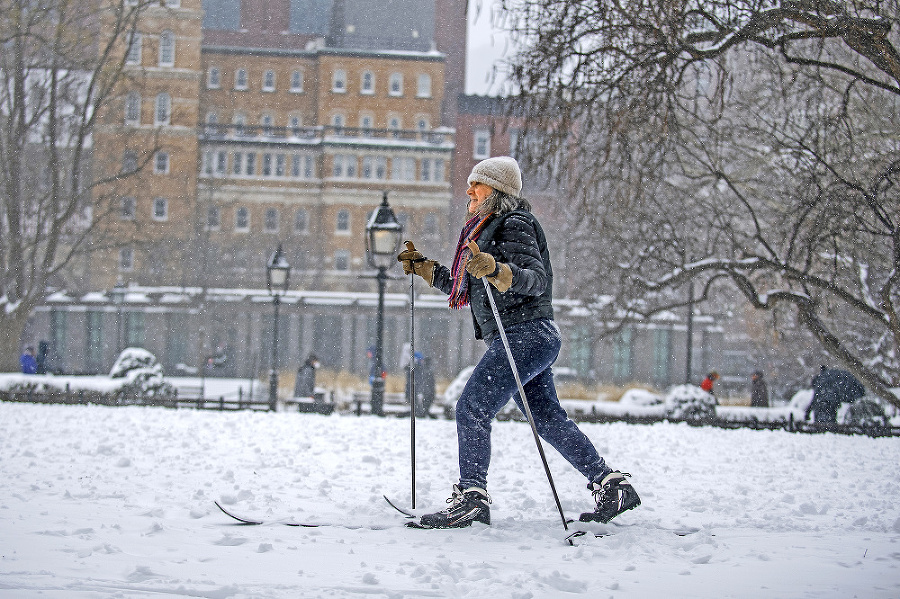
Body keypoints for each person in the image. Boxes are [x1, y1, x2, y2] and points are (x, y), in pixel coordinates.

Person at [398, 156, 640, 529]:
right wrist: (427, 268)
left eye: (477, 185)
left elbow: (535, 279)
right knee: (546, 417)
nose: (469, 192)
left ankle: (472, 497)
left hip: (525, 335)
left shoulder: (515, 223)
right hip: (527, 337)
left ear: (497, 190)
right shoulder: (484, 232)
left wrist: (499, 269)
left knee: (472, 407)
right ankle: (610, 484)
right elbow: (468, 287)